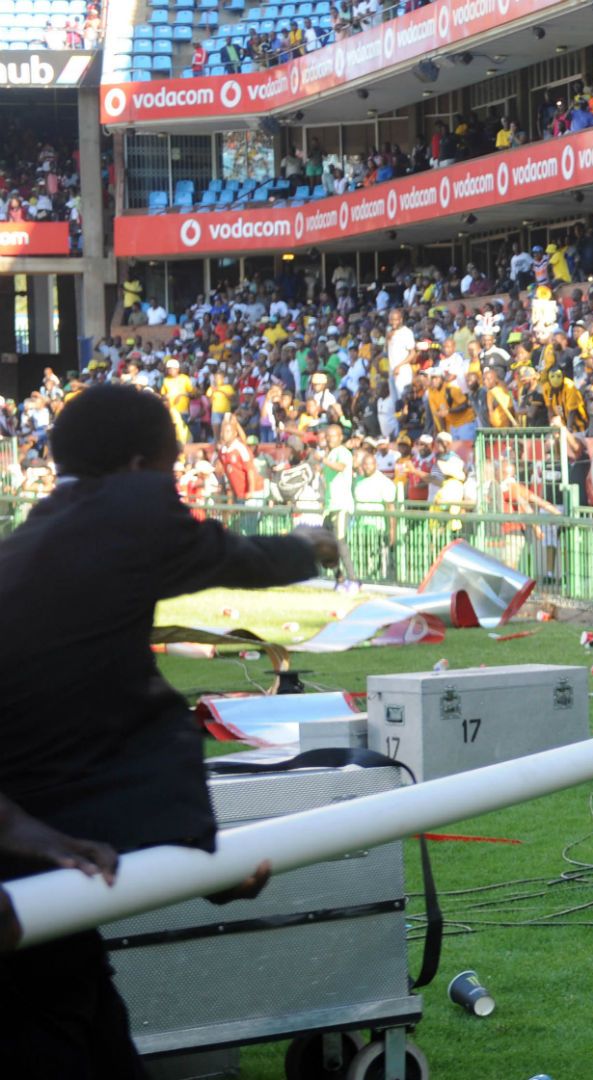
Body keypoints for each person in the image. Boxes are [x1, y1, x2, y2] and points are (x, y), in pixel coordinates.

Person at [0, 386, 337, 1073]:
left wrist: (196, 866)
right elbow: (237, 558)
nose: (174, 492)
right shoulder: (118, 516)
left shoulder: (39, 540)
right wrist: (307, 545)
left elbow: (85, 748)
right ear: (132, 470)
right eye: (169, 467)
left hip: (43, 912)